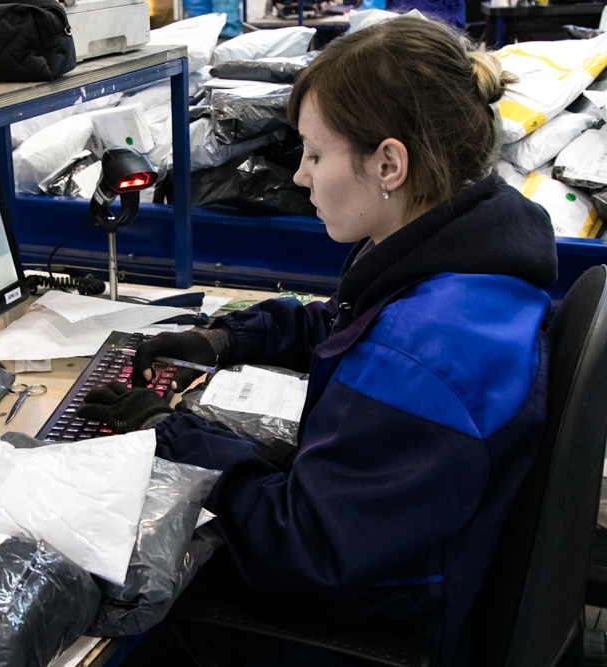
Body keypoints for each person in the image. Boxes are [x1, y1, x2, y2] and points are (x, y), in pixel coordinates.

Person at [77, 15, 558, 667]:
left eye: (314, 153)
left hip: (367, 629)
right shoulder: (463, 269)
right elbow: (340, 322)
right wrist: (221, 339)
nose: (300, 176)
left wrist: (174, 433)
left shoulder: (422, 353)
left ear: (388, 163)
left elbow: (299, 543)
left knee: (102, 600)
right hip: (392, 569)